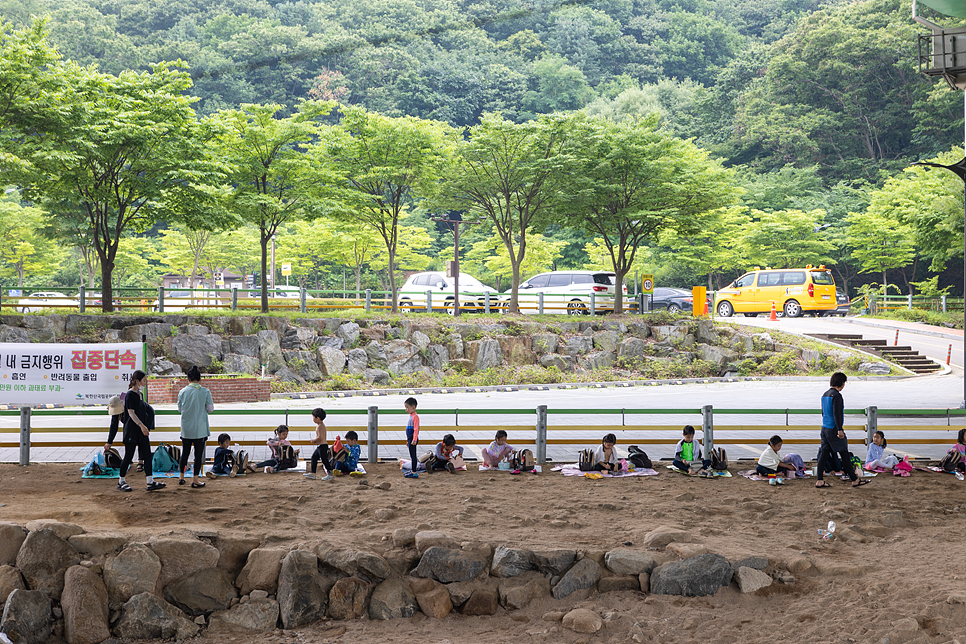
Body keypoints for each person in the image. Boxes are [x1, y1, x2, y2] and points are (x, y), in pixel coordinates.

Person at [816, 372, 867, 488]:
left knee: (823, 455)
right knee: (844, 453)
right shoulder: (837, 395)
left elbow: (824, 413)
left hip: (824, 428)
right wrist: (840, 429)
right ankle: (854, 480)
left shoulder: (825, 394)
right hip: (834, 429)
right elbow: (837, 414)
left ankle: (819, 480)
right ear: (842, 383)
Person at [117, 370, 164, 492]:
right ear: (137, 381)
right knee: (128, 456)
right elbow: (131, 413)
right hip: (132, 430)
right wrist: (141, 425)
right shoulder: (130, 395)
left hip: (141, 431)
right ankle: (121, 481)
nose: (145, 383)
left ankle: (150, 481)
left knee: (147, 455)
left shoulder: (139, 394)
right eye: (144, 380)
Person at [177, 366, 214, 488]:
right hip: (200, 429)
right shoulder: (205, 392)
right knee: (198, 456)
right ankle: (195, 480)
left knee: (185, 453)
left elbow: (180, 409)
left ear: (188, 379)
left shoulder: (182, 392)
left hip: (186, 428)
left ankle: (181, 477)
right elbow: (210, 409)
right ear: (199, 379)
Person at [304, 407, 334, 481]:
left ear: (317, 418)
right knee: (314, 457)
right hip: (320, 446)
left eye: (313, 417)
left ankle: (330, 474)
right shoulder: (321, 425)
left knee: (325, 460)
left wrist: (313, 440)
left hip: (322, 446)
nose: (313, 419)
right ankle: (312, 473)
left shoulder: (320, 426)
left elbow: (320, 437)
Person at [404, 397, 420, 479]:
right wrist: (408, 440)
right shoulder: (411, 416)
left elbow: (416, 429)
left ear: (413, 407)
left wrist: (414, 439)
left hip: (413, 438)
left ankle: (414, 471)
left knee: (413, 455)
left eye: (407, 407)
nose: (406, 409)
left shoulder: (415, 417)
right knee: (411, 455)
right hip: (410, 438)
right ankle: (413, 470)